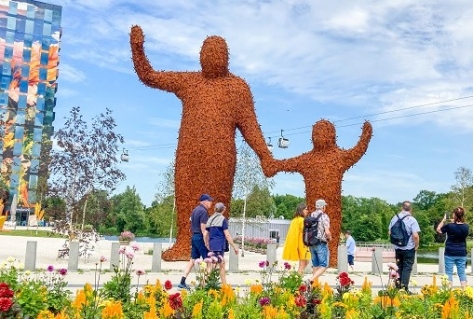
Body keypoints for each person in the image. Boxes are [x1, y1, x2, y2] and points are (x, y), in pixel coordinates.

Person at [130, 27, 274, 261]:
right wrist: (137, 49)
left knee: (215, 205)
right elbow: (149, 76)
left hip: (221, 157)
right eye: (207, 51)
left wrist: (265, 156)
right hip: (188, 155)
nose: (211, 56)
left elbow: (250, 127)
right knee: (187, 198)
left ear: (226, 57)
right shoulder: (189, 82)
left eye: (217, 52)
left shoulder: (237, 88)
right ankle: (184, 243)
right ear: (200, 55)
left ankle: (213, 247)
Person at [266, 120, 372, 266]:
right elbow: (286, 164)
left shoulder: (338, 157)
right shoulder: (308, 159)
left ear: (332, 136)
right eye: (316, 132)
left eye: (323, 132)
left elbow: (357, 151)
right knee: (313, 232)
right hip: (316, 211)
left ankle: (330, 259)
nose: (318, 135)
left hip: (331, 209)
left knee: (329, 229)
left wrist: (365, 136)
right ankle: (320, 261)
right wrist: (272, 165)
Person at [178, 194, 213, 290]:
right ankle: (204, 285)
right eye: (210, 201)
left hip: (194, 237)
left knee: (193, 260)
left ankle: (182, 282)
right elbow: (203, 229)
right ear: (205, 201)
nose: (211, 203)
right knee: (209, 261)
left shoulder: (195, 210)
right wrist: (207, 243)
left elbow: (191, 223)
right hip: (201, 237)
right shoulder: (203, 212)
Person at [388, 201, 420, 292]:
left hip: (398, 247)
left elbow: (389, 232)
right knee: (407, 267)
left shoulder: (394, 218)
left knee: (399, 266)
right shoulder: (412, 219)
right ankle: (404, 288)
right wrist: (416, 245)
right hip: (408, 247)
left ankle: (397, 287)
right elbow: (415, 235)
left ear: (402, 208)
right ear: (411, 209)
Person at [204, 202, 239, 286]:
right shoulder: (223, 220)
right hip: (219, 246)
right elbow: (227, 235)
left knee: (219, 265)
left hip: (212, 245)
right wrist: (234, 247)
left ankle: (223, 285)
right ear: (223, 209)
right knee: (215, 266)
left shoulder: (210, 219)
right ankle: (204, 285)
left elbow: (205, 234)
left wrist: (207, 244)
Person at [436, 206, 469, 288]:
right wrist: (454, 221)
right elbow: (459, 227)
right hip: (461, 252)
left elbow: (438, 230)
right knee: (462, 273)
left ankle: (449, 292)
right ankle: (464, 292)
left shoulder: (449, 226)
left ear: (454, 215)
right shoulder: (466, 227)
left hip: (450, 252)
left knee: (449, 273)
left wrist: (444, 220)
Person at [282, 203, 311, 275]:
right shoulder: (302, 220)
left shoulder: (294, 220)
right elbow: (305, 232)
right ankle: (297, 279)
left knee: (304, 262)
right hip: (302, 244)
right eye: (306, 209)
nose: (307, 211)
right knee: (303, 263)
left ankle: (297, 278)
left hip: (297, 244)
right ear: (301, 210)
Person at [309, 199, 332, 282]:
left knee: (315, 265)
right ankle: (310, 281)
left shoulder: (311, 215)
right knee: (324, 265)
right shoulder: (324, 216)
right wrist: (330, 237)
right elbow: (327, 231)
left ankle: (313, 287)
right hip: (320, 243)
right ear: (323, 207)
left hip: (311, 243)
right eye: (325, 206)